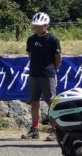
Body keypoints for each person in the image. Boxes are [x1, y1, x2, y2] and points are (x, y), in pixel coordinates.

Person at [22, 12, 62, 141]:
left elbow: (58, 58)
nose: (37, 28)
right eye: (35, 25)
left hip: (48, 74)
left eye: (39, 25)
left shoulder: (53, 39)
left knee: (51, 102)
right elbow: (30, 55)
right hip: (34, 74)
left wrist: (53, 70)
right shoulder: (31, 39)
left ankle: (55, 130)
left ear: (46, 25)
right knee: (34, 102)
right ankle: (34, 130)